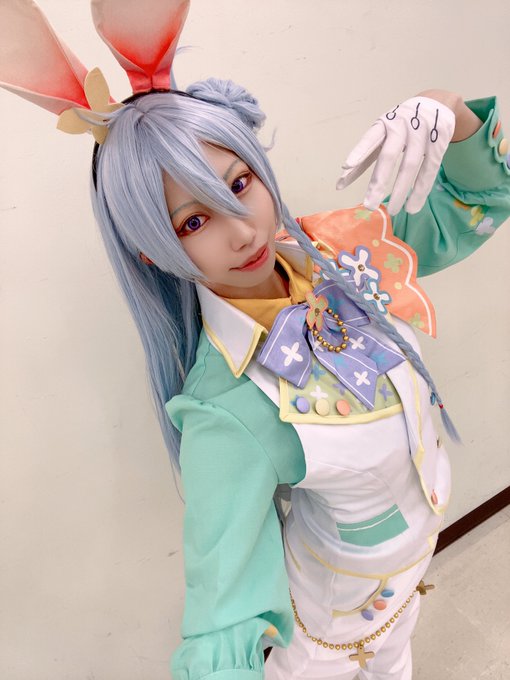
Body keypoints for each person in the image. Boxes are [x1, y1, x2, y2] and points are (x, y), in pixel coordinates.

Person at [2, 2, 510, 679]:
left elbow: (474, 205)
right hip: (322, 650)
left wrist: (447, 107)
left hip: (398, 606)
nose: (241, 230)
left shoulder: (338, 255)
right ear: (152, 252)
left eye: (240, 183)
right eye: (193, 222)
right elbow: (221, 613)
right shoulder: (225, 407)